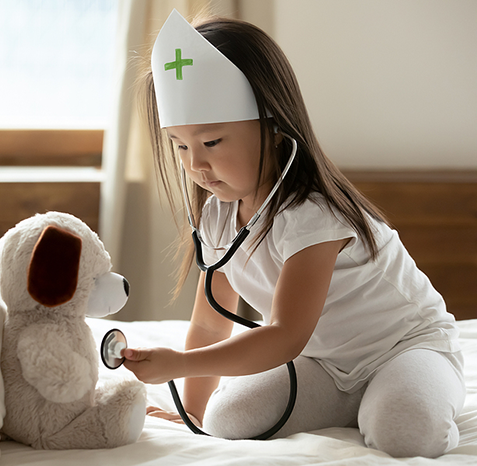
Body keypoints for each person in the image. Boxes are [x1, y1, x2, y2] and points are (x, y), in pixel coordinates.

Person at [121, 10, 465, 458]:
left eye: (212, 142)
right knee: (227, 419)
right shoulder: (218, 218)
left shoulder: (315, 215)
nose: (194, 165)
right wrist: (194, 415)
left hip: (401, 348)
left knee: (404, 431)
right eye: (180, 145)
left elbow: (285, 335)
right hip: (323, 363)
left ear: (275, 129)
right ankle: (367, 402)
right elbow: (210, 323)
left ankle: (409, 395)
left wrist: (178, 364)